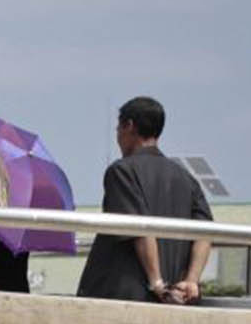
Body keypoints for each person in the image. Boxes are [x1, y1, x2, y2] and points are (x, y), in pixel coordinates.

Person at [76, 96, 213, 304]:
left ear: (129, 126)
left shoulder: (121, 171)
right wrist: (191, 281)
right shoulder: (186, 178)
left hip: (122, 295)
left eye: (118, 129)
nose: (118, 136)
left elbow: (139, 228)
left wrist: (156, 282)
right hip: (173, 298)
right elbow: (205, 233)